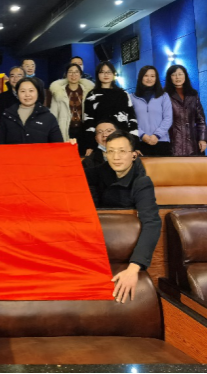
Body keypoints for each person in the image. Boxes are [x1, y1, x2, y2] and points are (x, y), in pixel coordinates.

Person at [83, 130, 160, 304]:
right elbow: (71, 173)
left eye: (122, 151)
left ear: (134, 155)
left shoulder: (142, 182)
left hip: (126, 250)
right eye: (110, 151)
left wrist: (134, 268)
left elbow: (152, 223)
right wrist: (69, 151)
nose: (116, 157)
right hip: (98, 245)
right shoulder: (103, 171)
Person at [82, 61, 139, 156]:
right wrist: (90, 145)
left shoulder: (123, 94)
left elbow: (132, 119)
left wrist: (134, 145)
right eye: (102, 72)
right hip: (100, 143)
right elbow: (88, 122)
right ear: (98, 75)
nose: (106, 75)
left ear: (113, 74)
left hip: (122, 141)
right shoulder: (92, 95)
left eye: (109, 72)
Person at [0, 79, 63, 144]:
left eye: (31, 91)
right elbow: (0, 144)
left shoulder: (48, 117)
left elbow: (58, 145)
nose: (27, 95)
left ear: (38, 93)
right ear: (17, 93)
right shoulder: (8, 115)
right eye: (23, 91)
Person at [165, 65, 207, 156]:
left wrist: (203, 139)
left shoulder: (193, 94)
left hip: (193, 143)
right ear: (169, 77)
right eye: (174, 75)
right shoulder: (164, 95)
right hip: (173, 143)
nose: (177, 77)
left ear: (185, 76)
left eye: (180, 74)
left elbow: (201, 119)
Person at [50, 63, 95, 148]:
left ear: (80, 74)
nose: (73, 75)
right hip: (65, 128)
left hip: (84, 129)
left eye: (76, 72)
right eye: (70, 72)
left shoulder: (88, 91)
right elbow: (53, 114)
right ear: (66, 74)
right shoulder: (58, 91)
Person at [131, 66, 173, 157]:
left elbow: (168, 118)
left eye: (152, 76)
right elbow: (131, 120)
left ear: (156, 78)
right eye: (146, 75)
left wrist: (157, 135)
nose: (149, 79)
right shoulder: (132, 98)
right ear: (140, 77)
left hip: (161, 141)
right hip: (140, 142)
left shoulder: (164, 96)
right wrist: (142, 135)